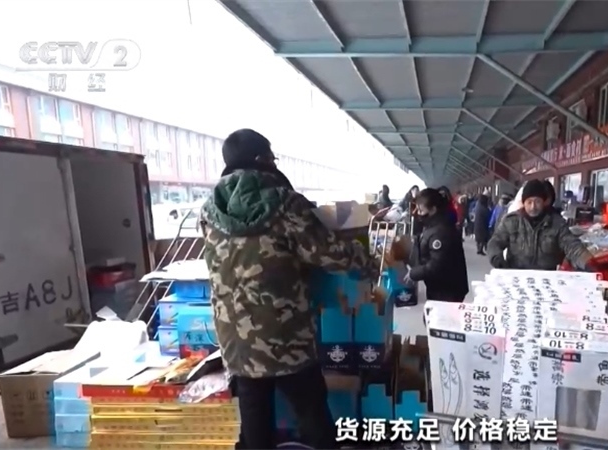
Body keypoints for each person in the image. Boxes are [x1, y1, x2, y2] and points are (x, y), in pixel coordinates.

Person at [199, 129, 377, 450]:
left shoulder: (209, 209)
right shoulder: (285, 203)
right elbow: (328, 253)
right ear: (263, 159)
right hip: (285, 334)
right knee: (311, 411)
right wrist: (368, 262)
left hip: (235, 338)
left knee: (254, 416)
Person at [487, 179, 593, 271]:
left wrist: (588, 262)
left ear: (544, 202)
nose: (533, 207)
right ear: (523, 203)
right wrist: (496, 258)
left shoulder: (556, 223)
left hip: (546, 278)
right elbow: (495, 242)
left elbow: (572, 246)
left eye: (537, 201)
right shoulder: (511, 221)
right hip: (517, 276)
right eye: (529, 202)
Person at [404, 188, 469, 302]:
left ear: (433, 209)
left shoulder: (441, 232)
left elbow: (437, 265)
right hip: (441, 286)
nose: (418, 214)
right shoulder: (434, 225)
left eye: (421, 210)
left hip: (447, 290)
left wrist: (414, 273)